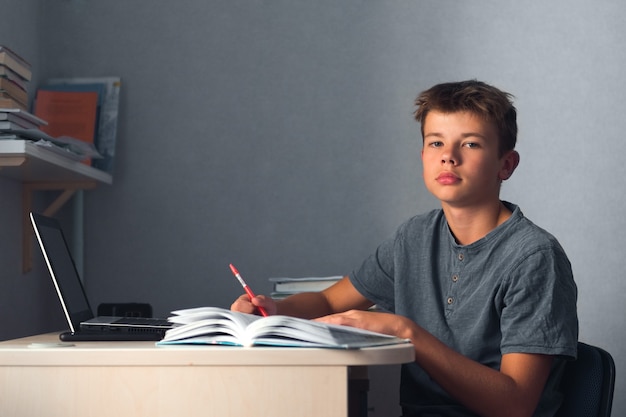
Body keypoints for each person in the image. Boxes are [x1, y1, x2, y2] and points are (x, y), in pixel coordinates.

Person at [231, 80, 578, 417]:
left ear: (506, 164)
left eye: (470, 144)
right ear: (423, 155)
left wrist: (406, 332)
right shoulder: (413, 237)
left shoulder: (533, 257)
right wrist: (275, 309)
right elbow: (328, 302)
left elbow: (514, 405)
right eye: (436, 143)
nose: (449, 158)